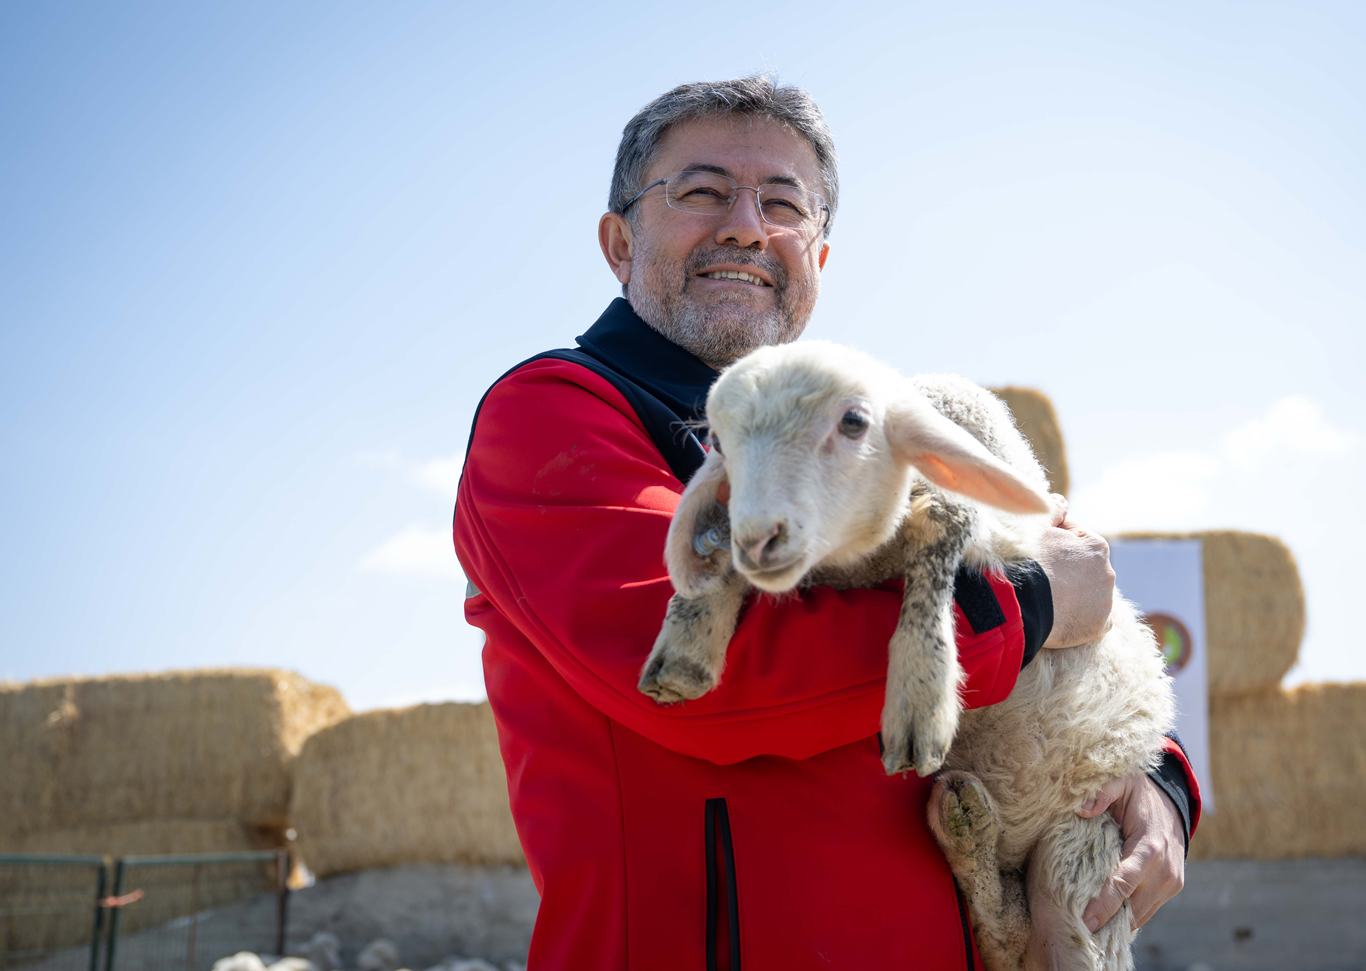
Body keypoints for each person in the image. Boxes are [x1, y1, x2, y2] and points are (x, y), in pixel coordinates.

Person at [453, 76, 1200, 971]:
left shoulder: (868, 420)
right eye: (700, 192)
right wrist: (1028, 607)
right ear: (619, 242)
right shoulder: (556, 414)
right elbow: (715, 685)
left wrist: (1156, 783)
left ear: (819, 257)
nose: (745, 225)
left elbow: (1085, 624)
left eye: (783, 203)